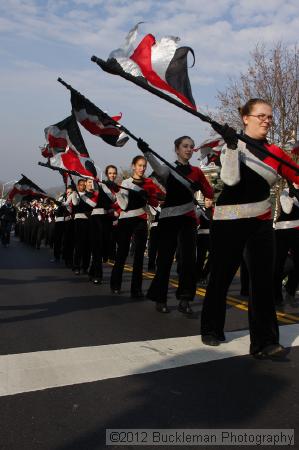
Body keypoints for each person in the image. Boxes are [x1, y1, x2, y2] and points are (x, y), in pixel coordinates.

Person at [200, 98, 299, 358]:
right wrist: (232, 146)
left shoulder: (276, 152)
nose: (267, 120)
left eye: (269, 117)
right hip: (228, 222)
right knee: (221, 277)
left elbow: (296, 176)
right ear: (245, 117)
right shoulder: (233, 144)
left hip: (261, 222)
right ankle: (211, 327)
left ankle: (265, 343)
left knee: (263, 282)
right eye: (261, 116)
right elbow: (230, 179)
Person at [137, 136, 213, 314]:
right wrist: (146, 152)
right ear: (177, 149)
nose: (189, 149)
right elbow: (159, 171)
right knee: (164, 260)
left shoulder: (197, 171)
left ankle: (185, 299)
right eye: (185, 146)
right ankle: (160, 298)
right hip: (169, 219)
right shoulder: (168, 168)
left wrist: (200, 185)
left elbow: (210, 192)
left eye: (191, 147)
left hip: (188, 218)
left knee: (188, 260)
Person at [110, 155, 162, 298]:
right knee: (122, 253)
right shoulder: (125, 183)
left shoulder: (149, 183)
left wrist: (149, 197)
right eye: (139, 165)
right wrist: (117, 191)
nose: (142, 168)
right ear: (133, 166)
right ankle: (115, 284)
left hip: (140, 220)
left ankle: (136, 289)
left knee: (139, 256)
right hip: (126, 220)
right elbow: (123, 205)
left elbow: (155, 204)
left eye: (144, 166)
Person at [274, 182, 299, 306]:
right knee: (279, 264)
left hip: (297, 231)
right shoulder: (285, 191)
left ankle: (290, 291)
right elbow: (287, 210)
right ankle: (276, 296)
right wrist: (292, 195)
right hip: (283, 231)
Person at [196, 197, 214, 286]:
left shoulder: (215, 211)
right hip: (202, 236)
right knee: (200, 258)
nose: (209, 202)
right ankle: (198, 277)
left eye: (210, 200)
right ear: (204, 201)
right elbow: (194, 222)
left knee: (213, 257)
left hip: (212, 237)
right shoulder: (199, 210)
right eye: (207, 200)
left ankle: (204, 274)